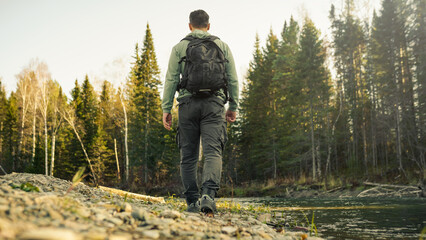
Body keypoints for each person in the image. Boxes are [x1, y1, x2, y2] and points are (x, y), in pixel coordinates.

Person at [162, 9, 239, 214]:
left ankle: (192, 202)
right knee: (213, 151)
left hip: (187, 105)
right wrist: (233, 107)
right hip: (214, 104)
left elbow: (171, 80)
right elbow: (232, 79)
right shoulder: (222, 46)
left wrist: (166, 108)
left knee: (188, 155)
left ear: (189, 26)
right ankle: (208, 196)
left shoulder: (179, 47)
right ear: (208, 25)